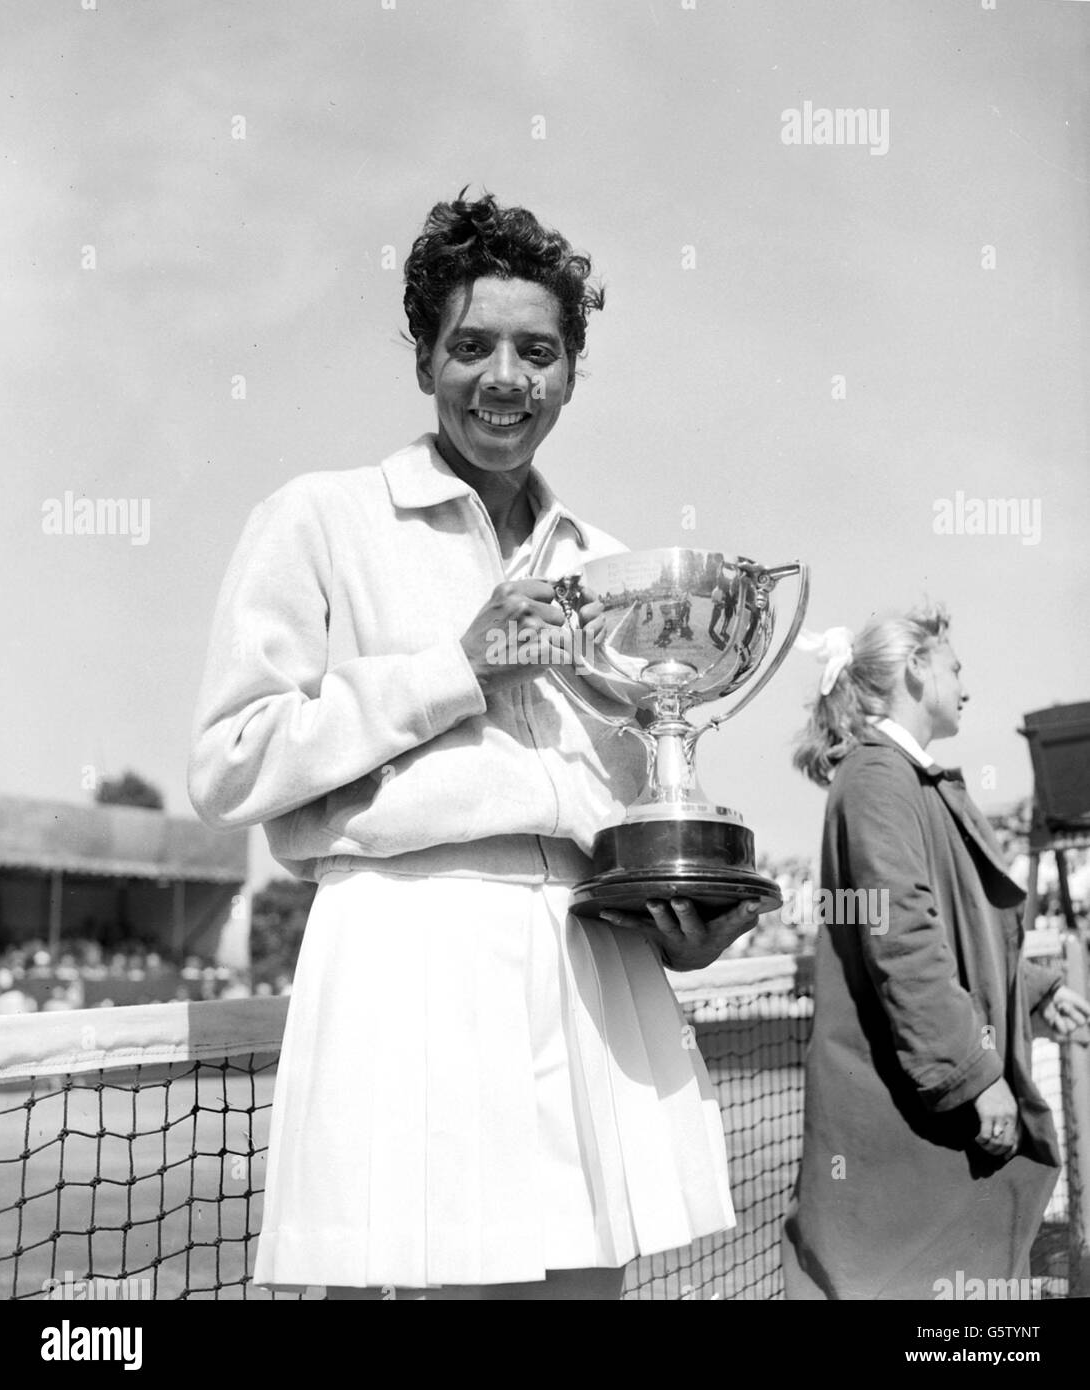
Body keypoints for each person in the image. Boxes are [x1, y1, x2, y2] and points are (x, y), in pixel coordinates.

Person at [188, 191, 758, 1301]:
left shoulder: (610, 561)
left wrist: (677, 914)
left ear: (569, 372)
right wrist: (458, 668)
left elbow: (631, 783)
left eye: (537, 350)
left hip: (594, 961)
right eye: (472, 345)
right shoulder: (321, 516)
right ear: (423, 360)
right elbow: (232, 759)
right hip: (408, 943)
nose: (507, 378)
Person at [782, 608, 1090, 1300]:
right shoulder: (875, 778)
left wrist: (1034, 989)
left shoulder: (895, 777)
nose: (965, 684)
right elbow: (904, 941)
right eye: (955, 666)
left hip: (929, 1126)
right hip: (911, 1128)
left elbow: (952, 928)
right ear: (916, 667)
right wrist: (974, 1078)